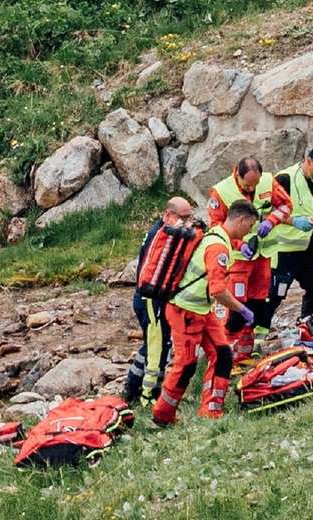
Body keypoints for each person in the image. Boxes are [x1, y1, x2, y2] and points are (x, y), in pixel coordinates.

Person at [152, 200, 260, 425]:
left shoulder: (218, 237)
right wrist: (241, 309)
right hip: (185, 311)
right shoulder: (218, 247)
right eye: (249, 226)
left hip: (201, 309)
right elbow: (218, 290)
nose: (248, 232)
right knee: (186, 364)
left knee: (222, 355)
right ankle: (163, 414)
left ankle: (211, 410)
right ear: (241, 220)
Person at [207, 157, 292, 362]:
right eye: (247, 185)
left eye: (255, 184)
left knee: (257, 303)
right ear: (237, 174)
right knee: (236, 305)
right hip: (238, 259)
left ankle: (245, 352)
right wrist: (239, 244)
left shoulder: (268, 182)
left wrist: (271, 222)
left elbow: (286, 206)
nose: (251, 188)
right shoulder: (221, 191)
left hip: (263, 256)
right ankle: (224, 353)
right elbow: (215, 224)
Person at [123, 196, 194, 408]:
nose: (186, 222)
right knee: (157, 349)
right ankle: (148, 396)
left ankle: (131, 388)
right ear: (168, 215)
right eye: (183, 217)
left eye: (189, 217)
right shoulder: (162, 236)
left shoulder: (163, 232)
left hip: (150, 298)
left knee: (153, 345)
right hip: (150, 300)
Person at [264, 145, 313, 328]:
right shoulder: (285, 179)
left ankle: (307, 328)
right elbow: (267, 212)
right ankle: (257, 337)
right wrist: (294, 221)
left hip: (310, 250)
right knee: (274, 295)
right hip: (285, 251)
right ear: (309, 161)